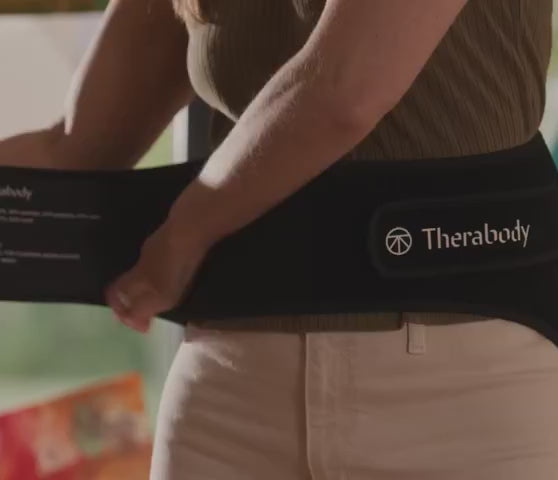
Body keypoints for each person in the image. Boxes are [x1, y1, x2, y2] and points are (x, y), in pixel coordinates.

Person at [1, 0, 557, 478]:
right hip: (224, 398)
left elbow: (344, 86)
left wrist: (185, 234)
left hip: (467, 399)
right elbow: (74, 148)